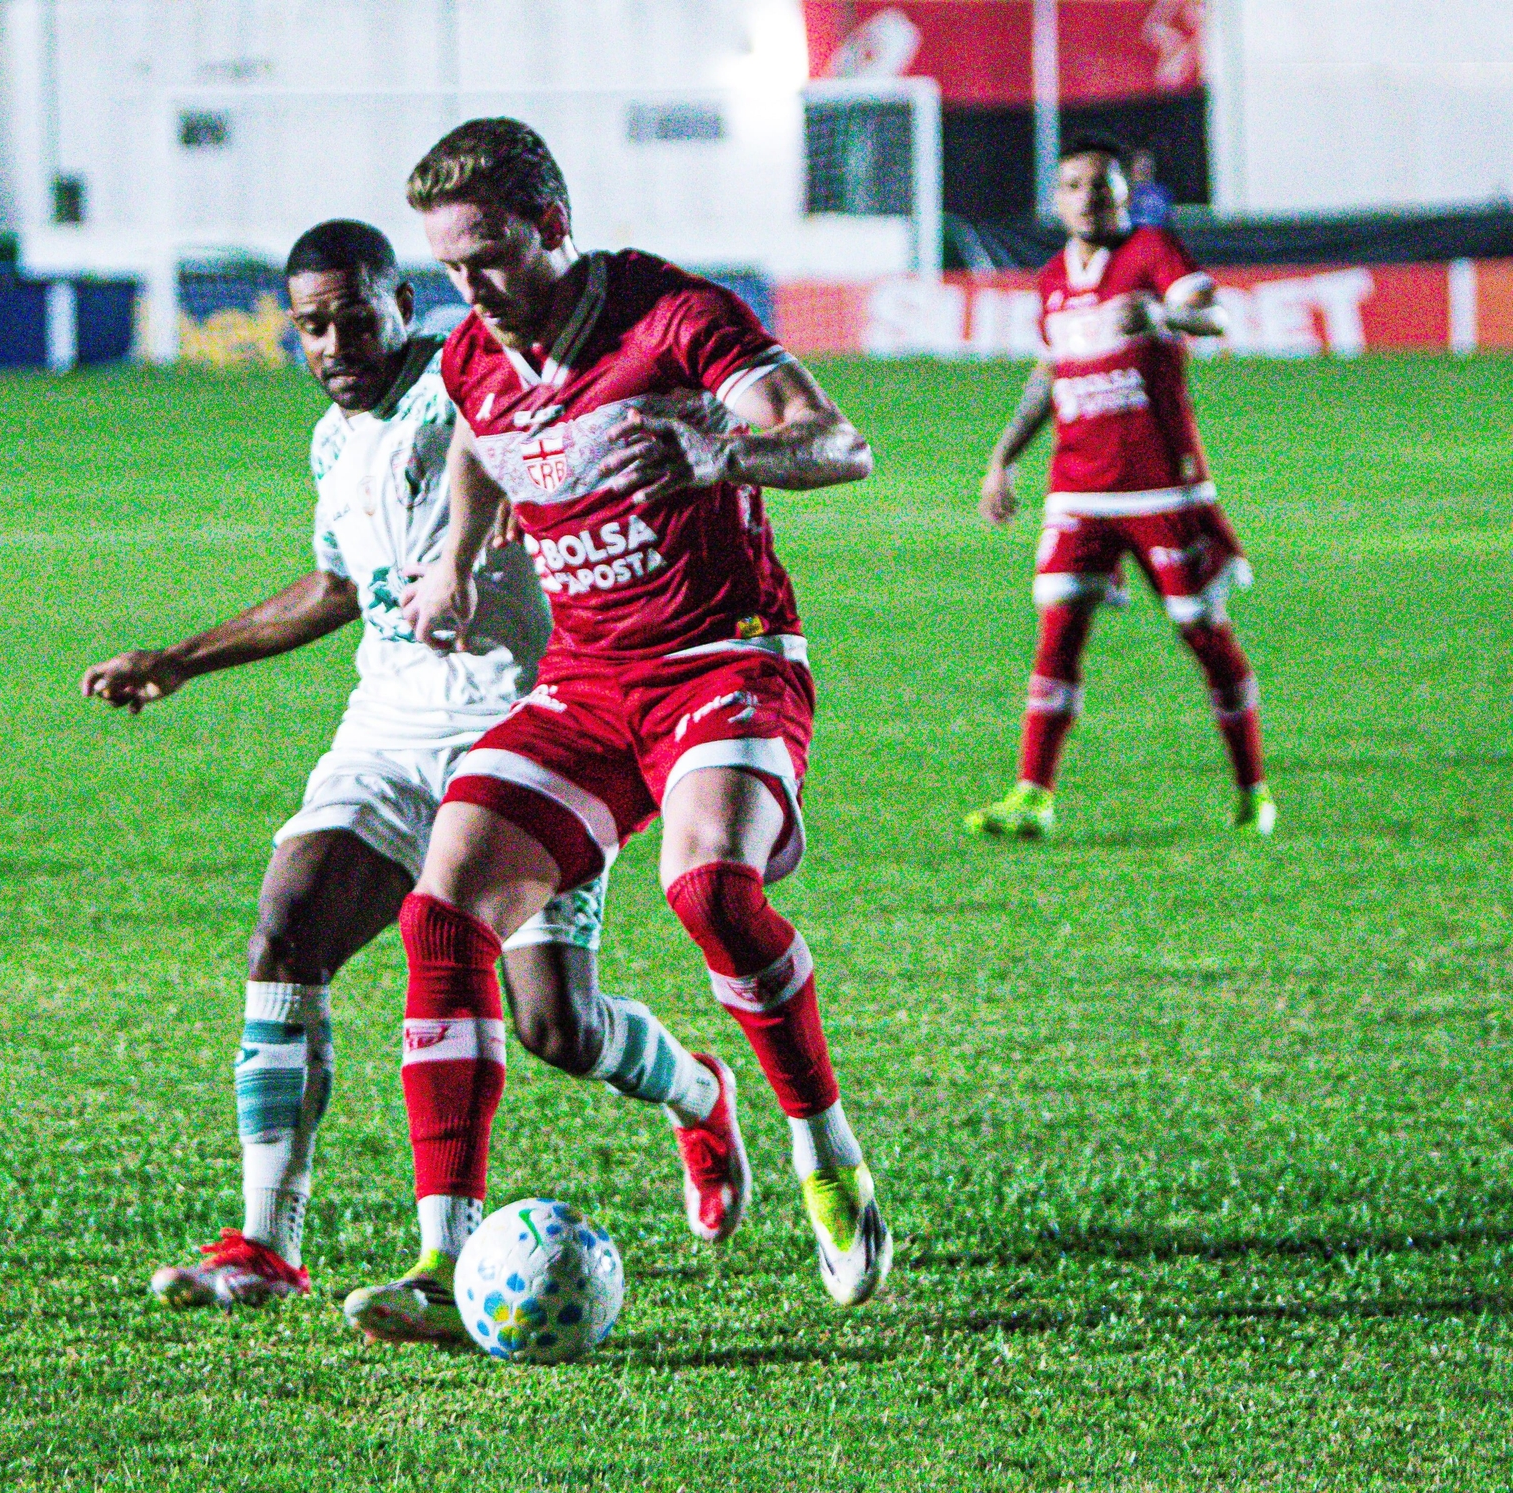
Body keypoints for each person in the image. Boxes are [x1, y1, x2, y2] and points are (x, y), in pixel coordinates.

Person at [81, 218, 749, 1313]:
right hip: (389, 730)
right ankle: (266, 1243)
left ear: (401, 302)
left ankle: (697, 1089)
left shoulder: (468, 383)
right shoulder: (334, 440)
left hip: (535, 726)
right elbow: (337, 586)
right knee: (286, 930)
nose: (337, 340)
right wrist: (180, 659)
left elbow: (559, 443)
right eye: (311, 324)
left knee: (555, 1025)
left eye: (356, 313)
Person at [339, 118, 893, 1342]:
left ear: (554, 222)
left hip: (724, 656)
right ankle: (440, 1260)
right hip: (588, 682)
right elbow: (488, 440)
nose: (468, 288)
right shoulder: (479, 355)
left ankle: (824, 1150)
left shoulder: (673, 315)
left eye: (488, 255)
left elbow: (841, 443)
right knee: (443, 911)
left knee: (709, 888)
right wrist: (451, 562)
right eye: (449, 267)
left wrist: (721, 450)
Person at [966, 135, 1275, 840]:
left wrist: (1165, 315)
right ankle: (1032, 794)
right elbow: (1048, 375)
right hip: (1078, 490)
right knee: (1056, 638)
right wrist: (1003, 457)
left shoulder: (1153, 253)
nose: (1087, 197)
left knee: (1202, 632)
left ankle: (1252, 787)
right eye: (1072, 186)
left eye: (1100, 185)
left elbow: (1218, 316)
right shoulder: (1050, 277)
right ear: (1057, 198)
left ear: (1123, 193)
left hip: (1163, 490)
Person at [1126, 148, 1174, 229]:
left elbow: (1167, 217)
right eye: (1140, 165)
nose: (1143, 169)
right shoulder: (1124, 189)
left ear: (1154, 168)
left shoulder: (1162, 192)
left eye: (1147, 165)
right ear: (1132, 168)